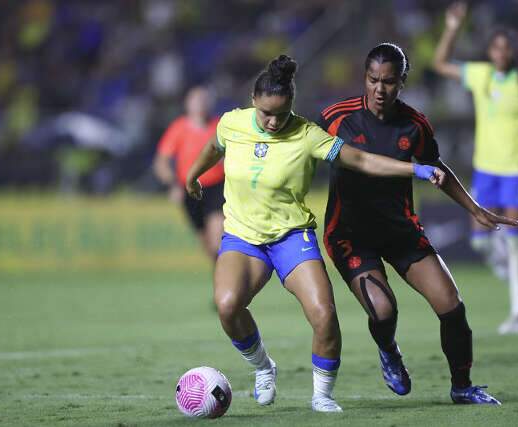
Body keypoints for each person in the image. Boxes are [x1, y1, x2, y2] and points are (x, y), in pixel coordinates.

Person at [185, 55, 445, 412]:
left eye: (281, 113)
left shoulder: (308, 136)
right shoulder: (232, 123)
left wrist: (415, 169)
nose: (273, 121)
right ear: (253, 101)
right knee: (228, 307)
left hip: (292, 237)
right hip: (243, 237)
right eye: (265, 113)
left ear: (292, 103)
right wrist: (192, 176)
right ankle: (264, 368)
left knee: (324, 314)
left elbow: (363, 160)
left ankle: (322, 395)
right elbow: (214, 147)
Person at [318, 43, 518, 405]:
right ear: (364, 78)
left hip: (400, 231)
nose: (380, 90)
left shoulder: (415, 125)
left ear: (402, 82)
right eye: (373, 80)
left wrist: (474, 209)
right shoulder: (335, 117)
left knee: (451, 304)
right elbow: (299, 151)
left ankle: (462, 387)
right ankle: (389, 349)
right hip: (349, 235)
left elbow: (438, 169)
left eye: (389, 82)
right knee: (384, 309)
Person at [432, 2, 518, 334]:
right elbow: (439, 63)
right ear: (491, 51)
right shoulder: (481, 75)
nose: (501, 53)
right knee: (481, 241)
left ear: (513, 51)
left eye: (506, 48)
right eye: (496, 48)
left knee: (516, 240)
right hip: (486, 171)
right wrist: (451, 27)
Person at [153, 86, 224, 262]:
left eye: (203, 100)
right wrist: (172, 185)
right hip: (190, 189)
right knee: (206, 243)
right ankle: (220, 273)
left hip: (217, 187)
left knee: (217, 241)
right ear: (187, 104)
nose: (200, 104)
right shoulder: (178, 129)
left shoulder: (219, 126)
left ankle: (226, 275)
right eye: (196, 100)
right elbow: (161, 162)